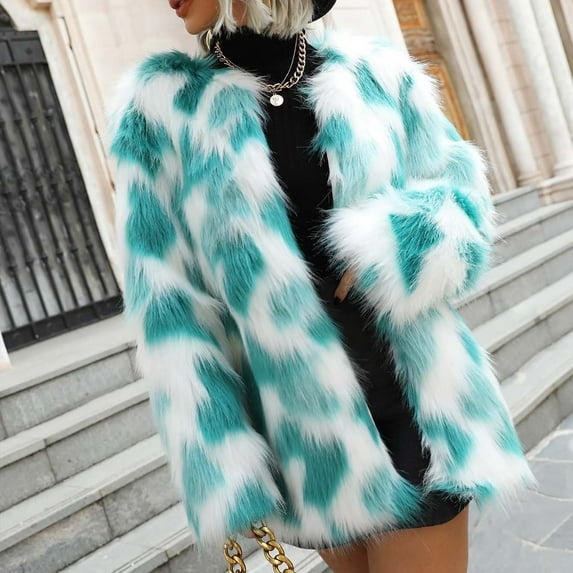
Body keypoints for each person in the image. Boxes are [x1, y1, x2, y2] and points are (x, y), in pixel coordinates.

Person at [108, 1, 535, 572]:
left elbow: (462, 196)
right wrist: (220, 462)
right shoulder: (158, 110)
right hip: (308, 438)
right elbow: (169, 307)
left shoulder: (377, 74)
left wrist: (395, 245)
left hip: (417, 403)